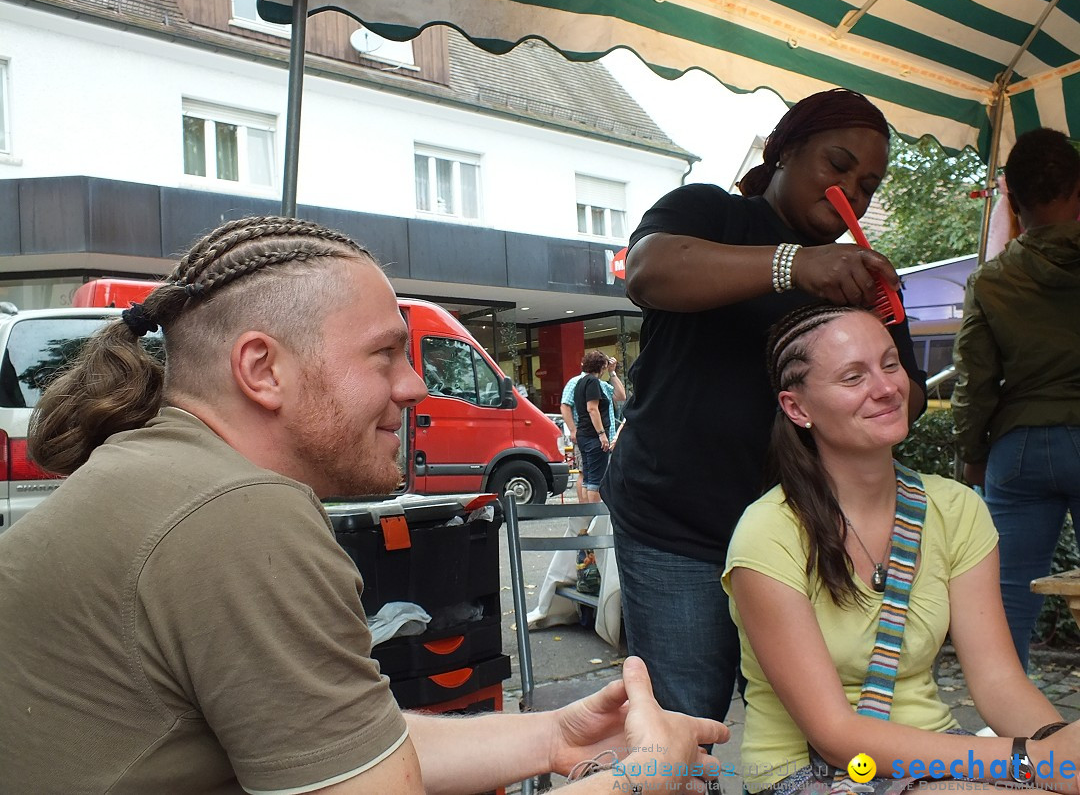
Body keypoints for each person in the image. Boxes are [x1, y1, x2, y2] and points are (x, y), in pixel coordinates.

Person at [0, 216, 726, 794]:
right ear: (262, 369)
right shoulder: (239, 515)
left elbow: (345, 747)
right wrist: (638, 782)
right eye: (385, 355)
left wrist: (552, 739)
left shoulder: (170, 472)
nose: (412, 386)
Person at [601, 88, 927, 727]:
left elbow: (904, 401)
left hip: (802, 538)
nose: (850, 194)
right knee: (682, 727)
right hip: (679, 526)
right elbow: (648, 271)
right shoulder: (711, 211)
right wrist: (794, 267)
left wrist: (884, 328)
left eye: (867, 184)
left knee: (808, 729)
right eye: (837, 165)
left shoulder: (864, 277)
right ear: (783, 152)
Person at [723, 302, 1078, 795]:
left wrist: (1061, 749)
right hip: (809, 769)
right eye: (853, 377)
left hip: (935, 752)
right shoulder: (767, 532)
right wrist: (1029, 760)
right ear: (797, 408)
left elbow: (998, 680)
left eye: (891, 364)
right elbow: (835, 736)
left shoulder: (955, 508)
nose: (887, 387)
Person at [952, 127, 1080, 670]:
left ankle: (1019, 747)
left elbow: (974, 382)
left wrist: (971, 455)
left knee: (1004, 608)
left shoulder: (991, 280)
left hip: (1017, 449)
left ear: (1013, 199)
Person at [573, 350, 618, 504]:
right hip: (594, 437)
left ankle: (587, 519)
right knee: (596, 480)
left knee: (588, 477)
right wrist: (602, 434)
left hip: (583, 435)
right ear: (602, 366)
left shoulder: (580, 382)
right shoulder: (593, 382)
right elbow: (592, 408)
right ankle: (595, 517)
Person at [560, 354, 626, 442]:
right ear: (601, 368)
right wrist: (573, 430)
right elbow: (565, 406)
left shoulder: (602, 384)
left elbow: (621, 396)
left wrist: (612, 373)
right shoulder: (575, 382)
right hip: (590, 437)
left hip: (607, 437)